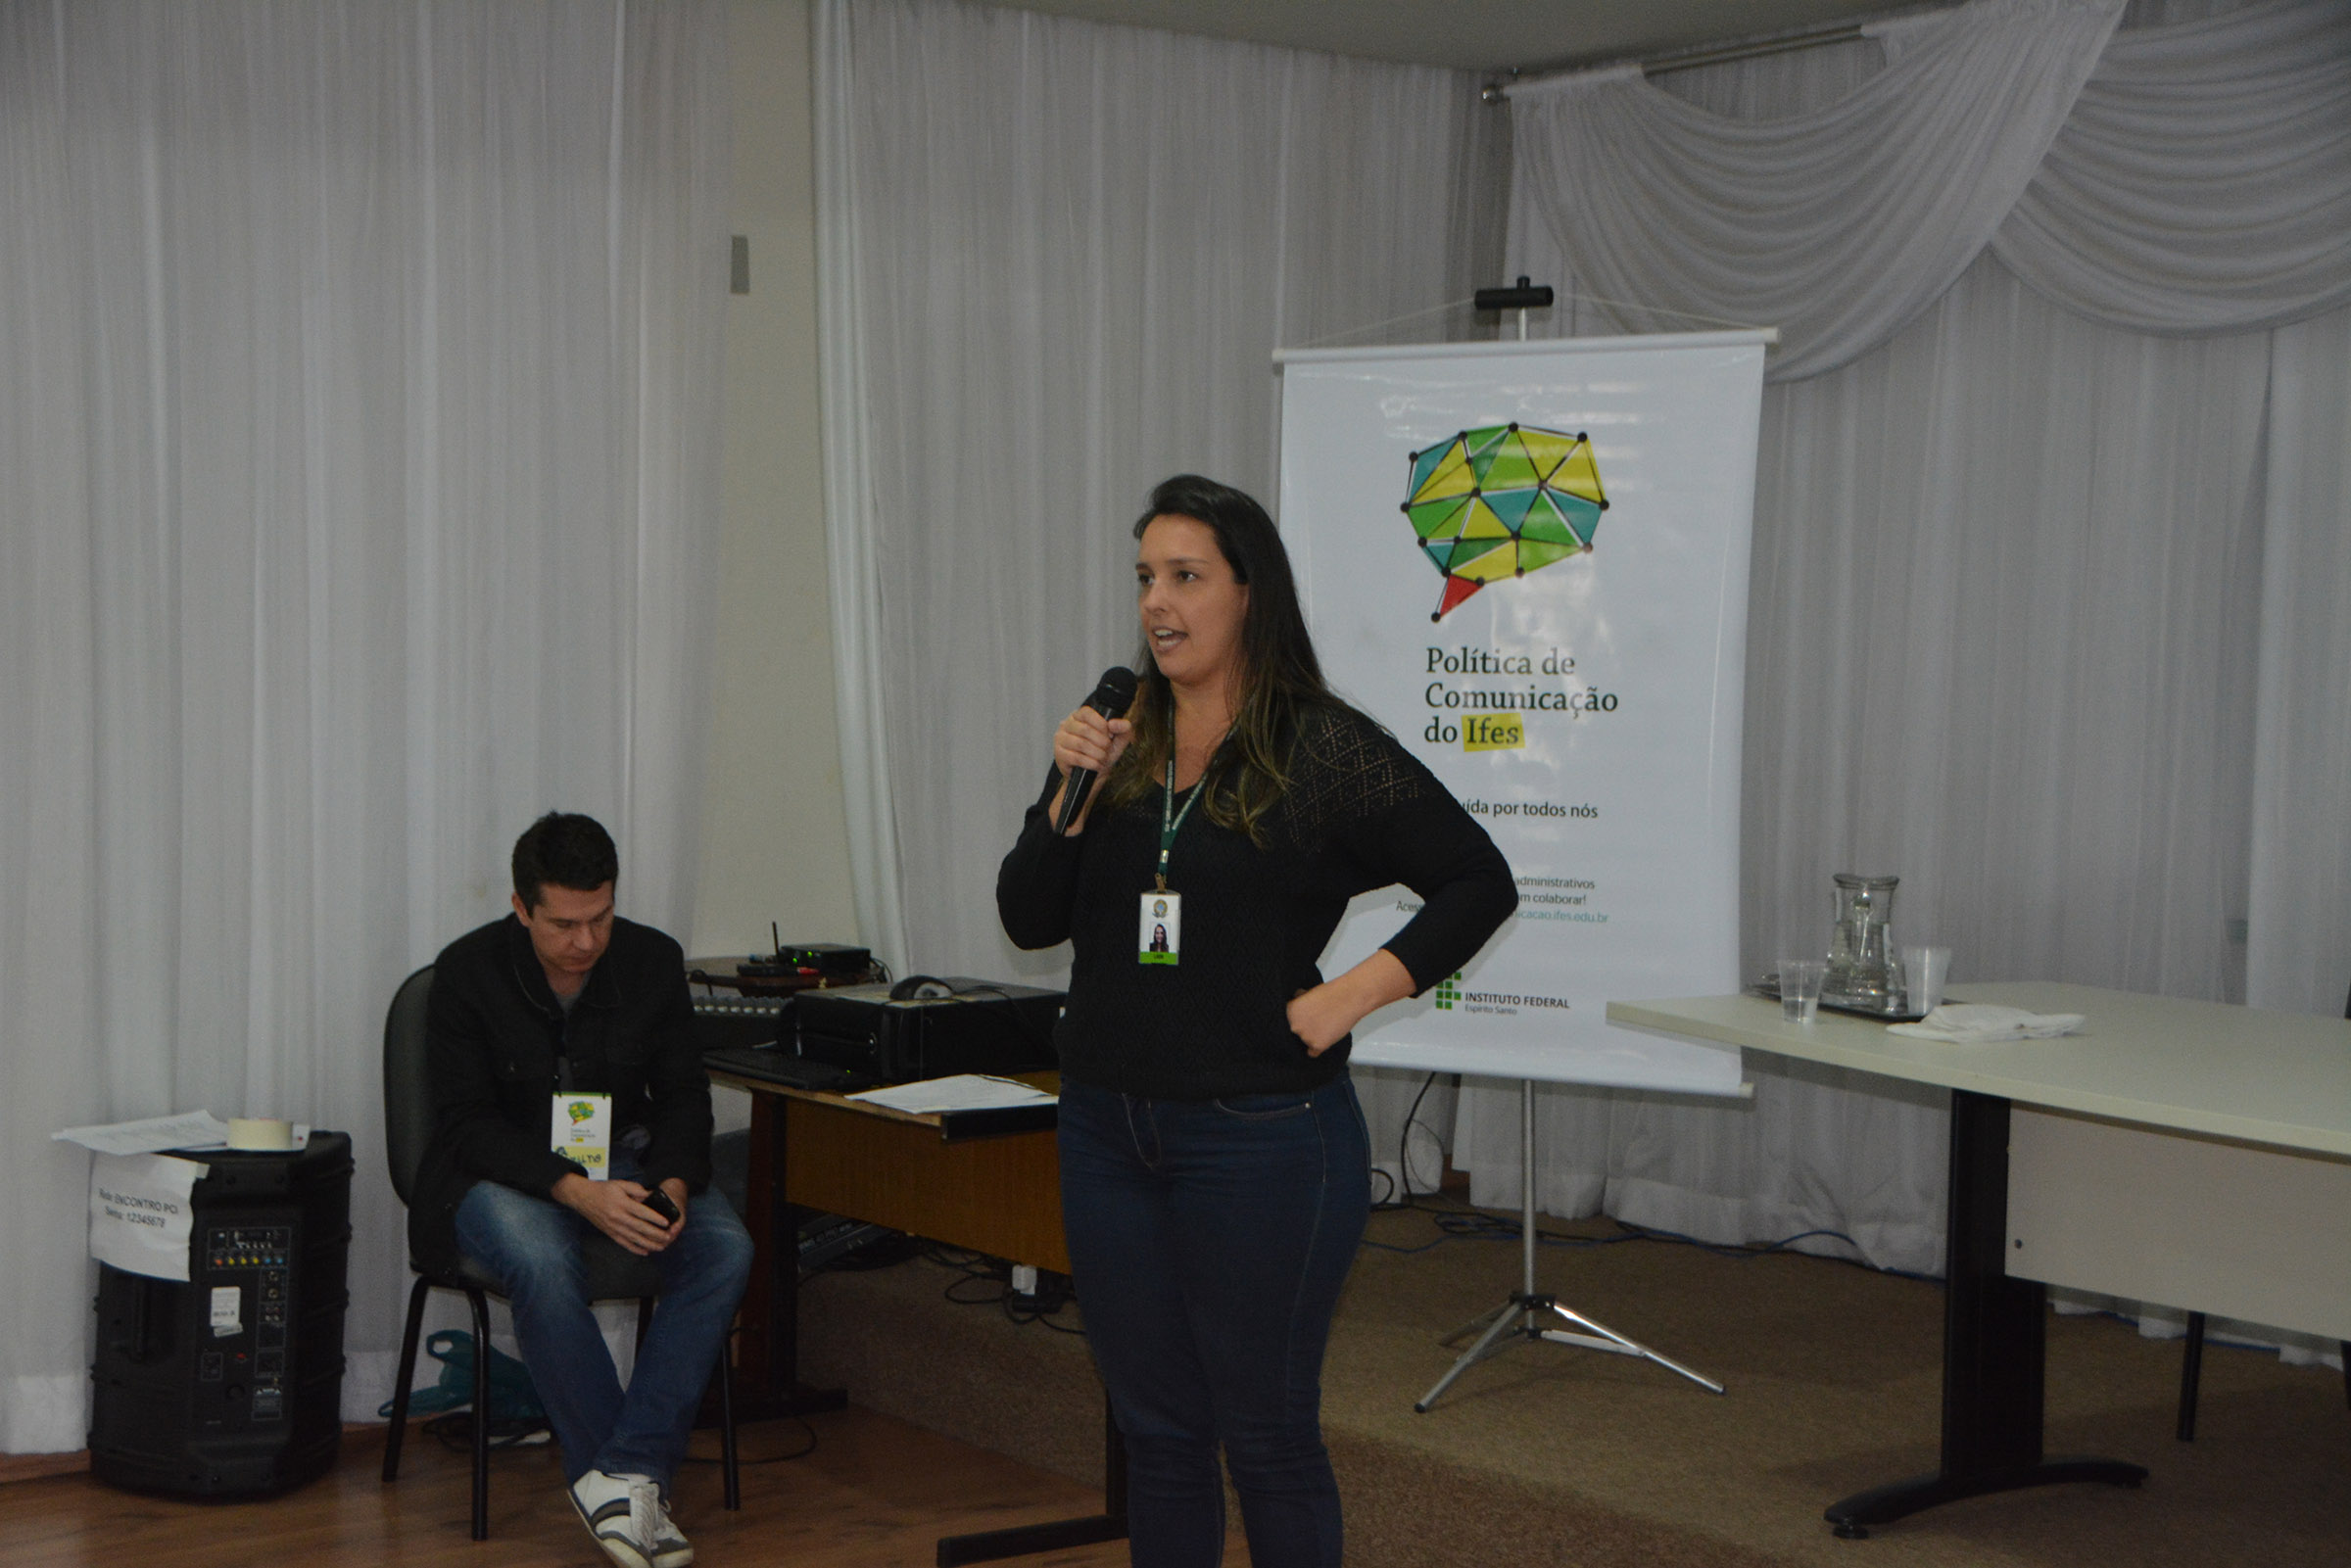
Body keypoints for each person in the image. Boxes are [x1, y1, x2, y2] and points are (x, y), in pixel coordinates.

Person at [996, 475, 1517, 1567]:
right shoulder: (1115, 739)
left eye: (1185, 575)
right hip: (1105, 1126)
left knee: (1267, 1435)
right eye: (1146, 576)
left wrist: (1352, 992)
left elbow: (1478, 879)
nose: (1157, 601)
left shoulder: (1319, 746)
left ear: (1249, 592)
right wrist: (1063, 796)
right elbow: (1028, 916)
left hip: (1262, 1135)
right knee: (1158, 1431)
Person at [409, 813, 753, 1568]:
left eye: (600, 916)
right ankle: (629, 1491)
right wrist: (575, 1190)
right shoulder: (467, 971)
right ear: (521, 907)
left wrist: (672, 1183)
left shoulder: (652, 959)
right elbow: (465, 1123)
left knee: (726, 1248)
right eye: (564, 924)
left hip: (625, 1158)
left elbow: (685, 1094)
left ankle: (621, 1476)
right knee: (540, 1257)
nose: (586, 941)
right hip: (500, 1173)